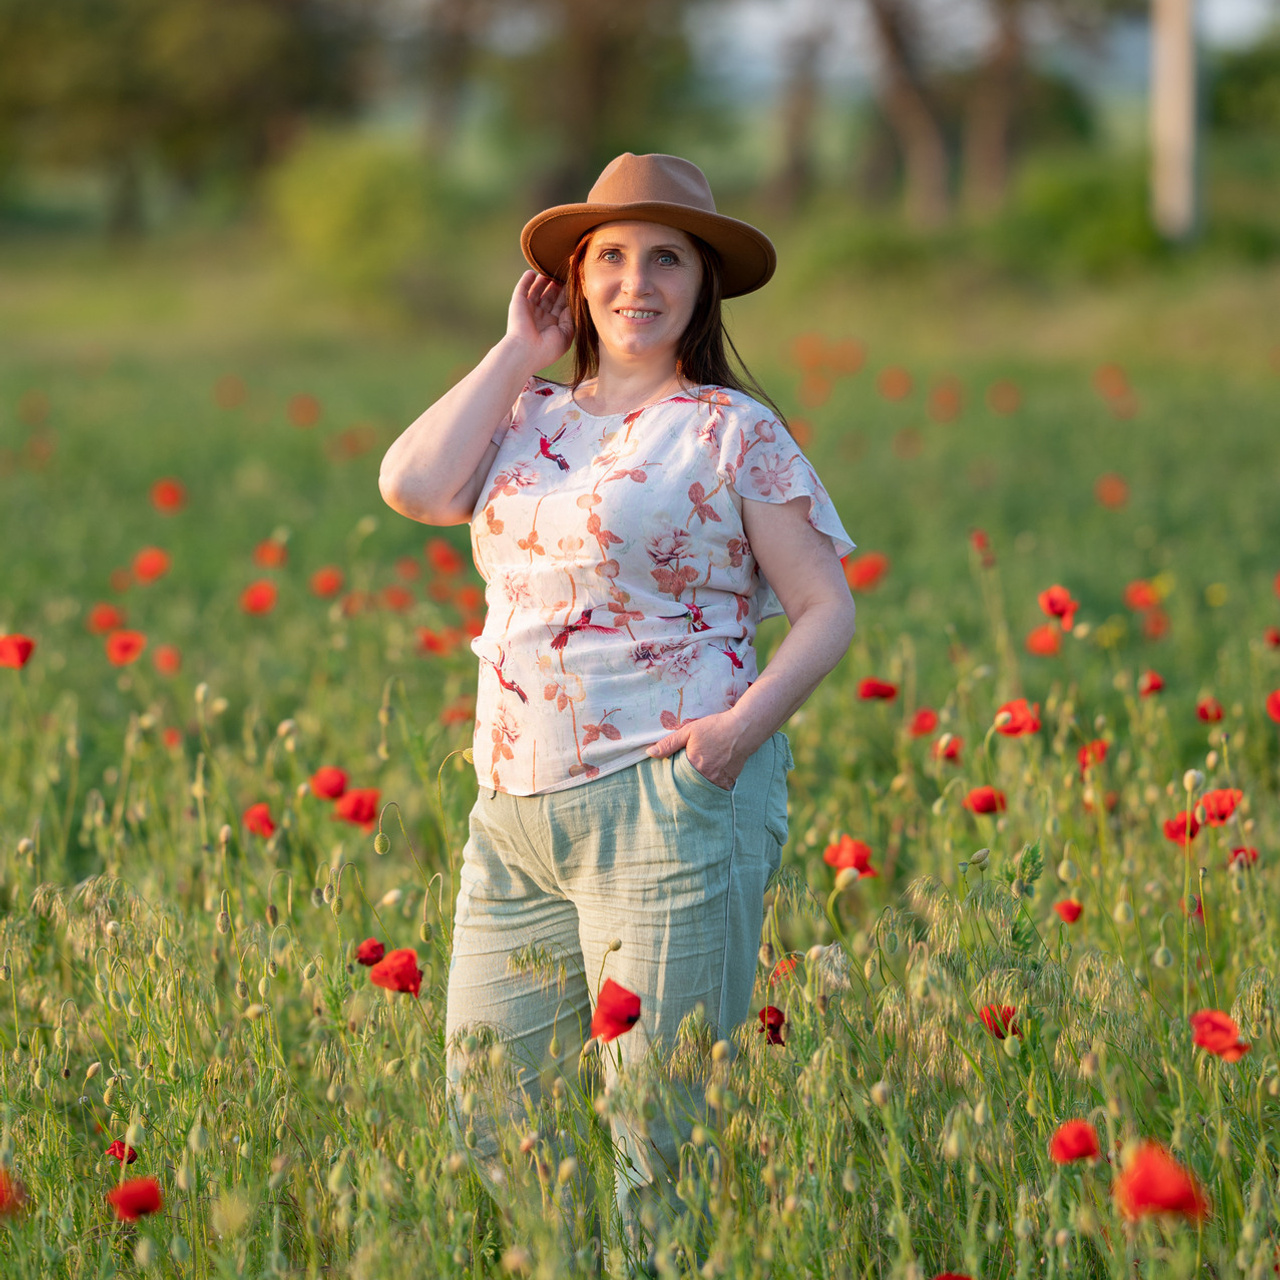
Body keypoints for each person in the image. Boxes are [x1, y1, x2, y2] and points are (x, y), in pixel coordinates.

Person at [378, 152, 856, 1271]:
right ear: (573, 280)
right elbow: (412, 485)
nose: (634, 281)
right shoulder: (526, 413)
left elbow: (824, 609)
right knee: (494, 1111)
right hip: (513, 811)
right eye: (608, 258)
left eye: (664, 258)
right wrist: (512, 350)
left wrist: (732, 738)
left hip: (670, 797)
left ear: (702, 284)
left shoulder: (729, 429)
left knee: (662, 1136)